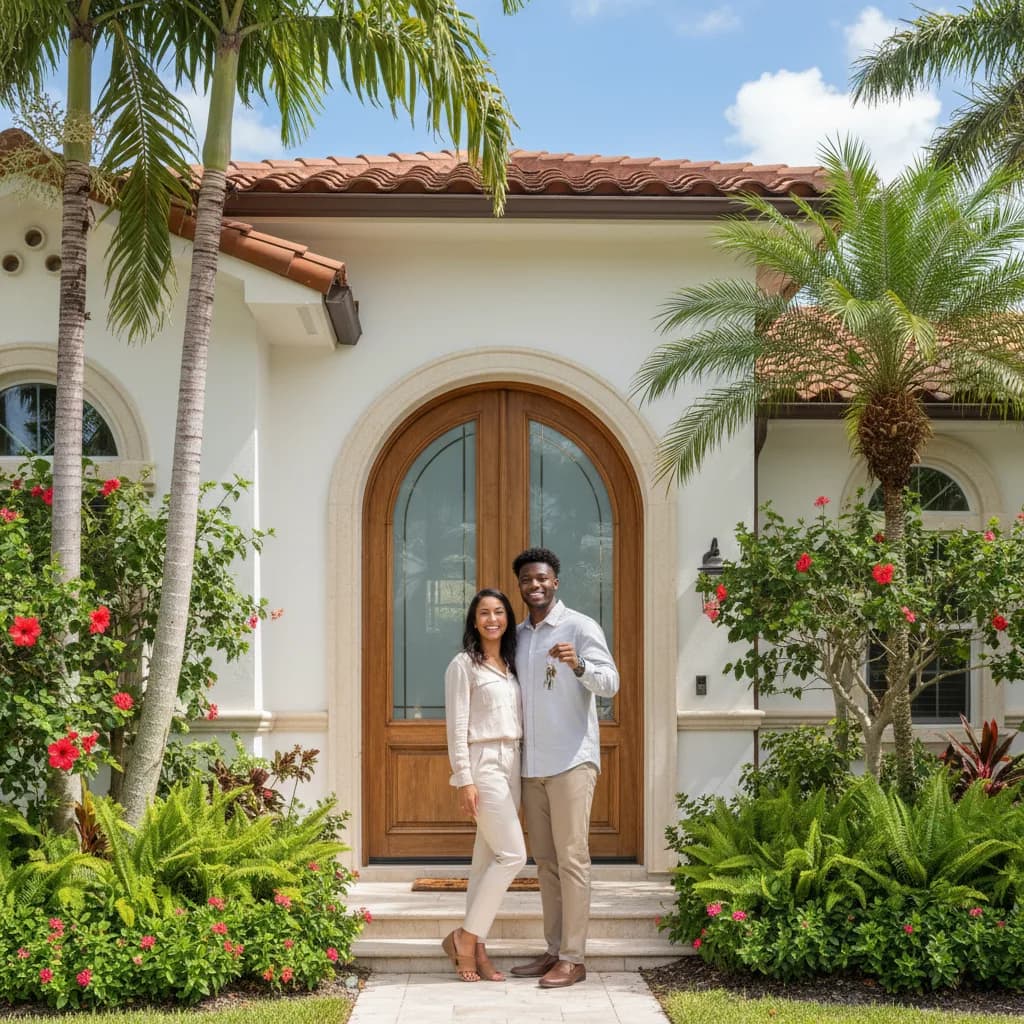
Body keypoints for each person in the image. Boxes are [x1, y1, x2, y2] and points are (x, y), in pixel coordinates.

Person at [509, 547, 619, 989]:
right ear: (520, 586)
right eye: (527, 580)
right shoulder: (518, 636)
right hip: (531, 765)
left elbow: (611, 683)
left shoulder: (580, 626)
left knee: (573, 860)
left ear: (556, 582)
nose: (535, 585)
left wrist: (579, 664)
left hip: (572, 761)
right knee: (546, 864)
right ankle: (554, 950)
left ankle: (574, 958)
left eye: (542, 579)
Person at [441, 587, 527, 982]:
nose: (492, 619)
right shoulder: (464, 665)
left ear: (508, 618)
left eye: (499, 612)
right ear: (474, 621)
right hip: (484, 763)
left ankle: (477, 949)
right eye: (484, 613)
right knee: (513, 856)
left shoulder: (512, 665)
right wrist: (465, 779)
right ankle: (465, 937)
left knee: (485, 861)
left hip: (513, 762)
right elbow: (457, 727)